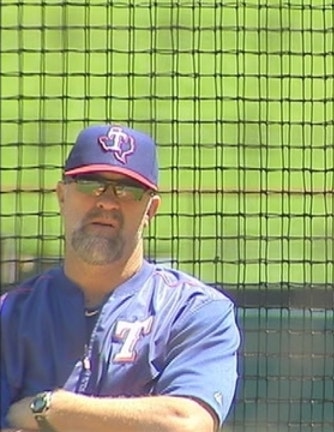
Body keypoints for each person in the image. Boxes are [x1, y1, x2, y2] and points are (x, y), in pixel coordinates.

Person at [0, 124, 240, 432]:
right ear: (62, 195)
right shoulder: (10, 317)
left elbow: (186, 424)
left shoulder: (192, 311)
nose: (108, 202)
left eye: (128, 190)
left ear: (151, 209)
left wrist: (51, 409)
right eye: (90, 185)